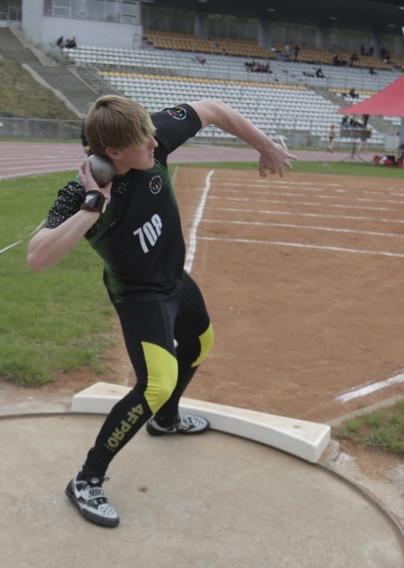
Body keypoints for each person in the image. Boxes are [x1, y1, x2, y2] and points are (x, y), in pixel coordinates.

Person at [27, 95, 296, 528]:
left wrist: (263, 145)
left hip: (174, 279)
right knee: (156, 383)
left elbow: (211, 109)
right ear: (113, 152)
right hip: (139, 295)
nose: (156, 145)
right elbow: (37, 256)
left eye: (154, 137)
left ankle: (166, 422)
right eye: (145, 143)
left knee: (199, 343)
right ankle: (87, 478)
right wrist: (92, 205)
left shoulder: (145, 136)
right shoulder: (81, 190)